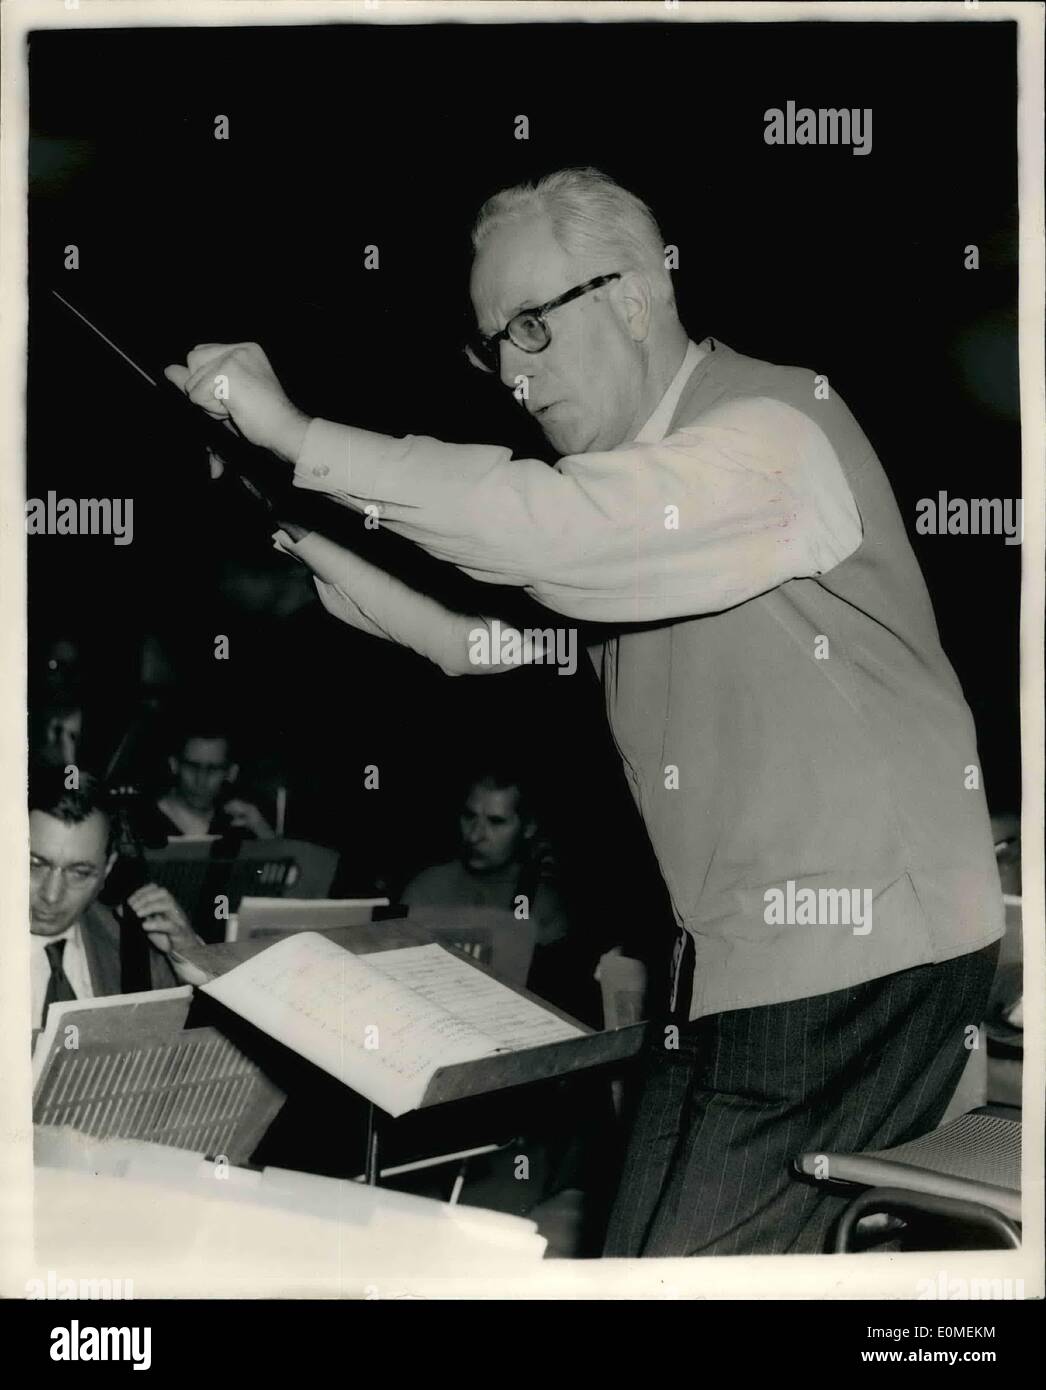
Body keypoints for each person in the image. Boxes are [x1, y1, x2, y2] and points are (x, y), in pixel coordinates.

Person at [166, 167, 1005, 1255]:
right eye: (490, 346)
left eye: (530, 328)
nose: (512, 376)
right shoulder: (640, 516)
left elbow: (548, 537)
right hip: (738, 966)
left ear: (635, 295)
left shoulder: (771, 433)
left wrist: (298, 434)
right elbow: (470, 642)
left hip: (862, 954)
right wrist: (282, 510)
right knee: (627, 1262)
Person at [28, 768, 203, 1033]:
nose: (51, 895)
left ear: (107, 868)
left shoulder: (128, 944)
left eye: (79, 873)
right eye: (34, 864)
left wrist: (190, 957)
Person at [132, 719, 275, 845]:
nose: (201, 780)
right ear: (174, 765)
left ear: (231, 773)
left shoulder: (240, 824)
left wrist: (264, 834)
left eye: (213, 769)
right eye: (192, 767)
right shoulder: (139, 822)